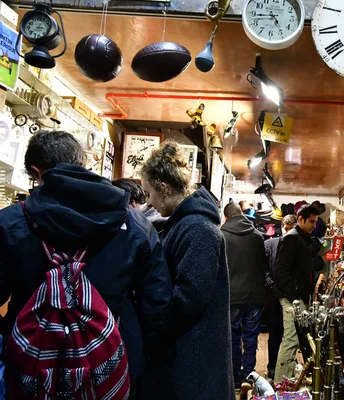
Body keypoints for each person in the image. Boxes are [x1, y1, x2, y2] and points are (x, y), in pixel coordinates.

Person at [0, 130, 172, 392]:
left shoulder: (10, 222)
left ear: (36, 172)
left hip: (32, 366)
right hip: (110, 361)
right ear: (84, 163)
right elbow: (157, 305)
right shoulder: (135, 223)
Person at [139, 142, 234, 399]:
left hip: (194, 361)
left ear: (164, 188)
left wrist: (151, 324)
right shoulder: (185, 225)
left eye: (148, 194)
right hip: (189, 355)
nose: (148, 202)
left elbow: (188, 300)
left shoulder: (198, 229)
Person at [221, 203, 268, 388]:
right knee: (250, 337)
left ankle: (234, 377)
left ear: (226, 217)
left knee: (232, 336)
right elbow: (263, 267)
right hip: (254, 295)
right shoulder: (257, 236)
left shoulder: (222, 235)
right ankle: (249, 374)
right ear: (240, 214)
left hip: (232, 296)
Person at [274, 204, 320, 381]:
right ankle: (280, 383)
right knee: (291, 340)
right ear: (300, 219)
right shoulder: (292, 239)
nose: (314, 226)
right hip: (293, 299)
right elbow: (280, 271)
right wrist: (294, 297)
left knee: (295, 339)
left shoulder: (301, 238)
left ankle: (286, 380)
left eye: (315, 222)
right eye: (311, 222)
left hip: (298, 297)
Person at [264, 214, 297, 379]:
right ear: (282, 226)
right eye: (287, 228)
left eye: (292, 229)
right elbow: (262, 269)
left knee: (290, 335)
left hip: (290, 297)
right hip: (273, 297)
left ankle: (287, 369)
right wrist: (272, 286)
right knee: (275, 333)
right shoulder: (270, 244)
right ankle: (272, 367)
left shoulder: (299, 246)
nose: (289, 231)